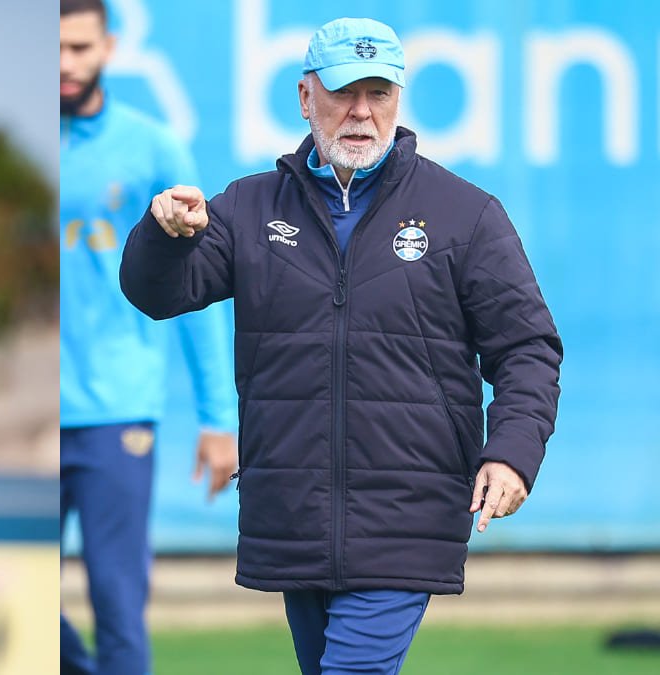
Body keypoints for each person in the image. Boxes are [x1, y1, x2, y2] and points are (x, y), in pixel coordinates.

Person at [120, 17, 562, 675]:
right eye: (343, 92)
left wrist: (514, 454)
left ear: (398, 100)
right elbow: (159, 293)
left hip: (406, 518)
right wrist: (165, 236)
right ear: (306, 98)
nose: (361, 111)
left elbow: (527, 346)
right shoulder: (246, 209)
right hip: (293, 517)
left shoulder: (465, 215)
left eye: (378, 93)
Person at [59, 1, 239, 673]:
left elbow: (195, 291)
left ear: (108, 45)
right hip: (36, 422)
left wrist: (219, 418)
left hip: (117, 411)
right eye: (53, 49)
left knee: (117, 605)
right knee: (22, 603)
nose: (65, 64)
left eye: (79, 47)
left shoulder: (152, 147)